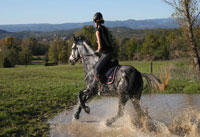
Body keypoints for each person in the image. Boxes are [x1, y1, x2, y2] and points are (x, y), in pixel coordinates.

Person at [93, 12, 113, 82]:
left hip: (106, 53)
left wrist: (96, 52)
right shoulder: (104, 28)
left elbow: (100, 47)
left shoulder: (97, 31)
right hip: (111, 52)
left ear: (95, 22)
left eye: (94, 21)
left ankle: (103, 85)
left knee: (96, 70)